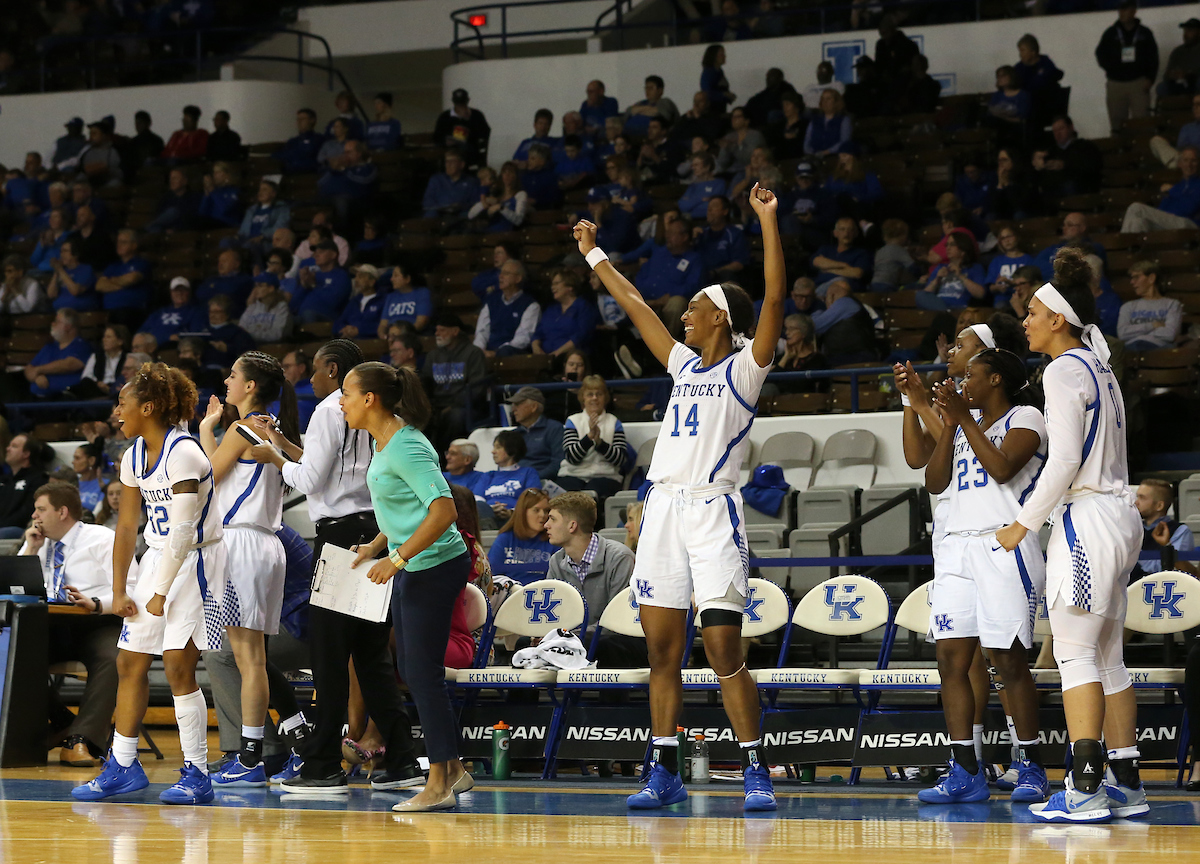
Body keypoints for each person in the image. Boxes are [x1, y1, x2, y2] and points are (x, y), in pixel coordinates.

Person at [574, 182, 784, 812]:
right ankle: (662, 769)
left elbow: (774, 297)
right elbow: (635, 304)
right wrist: (593, 255)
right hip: (663, 508)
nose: (682, 316)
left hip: (713, 510)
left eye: (693, 307)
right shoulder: (684, 366)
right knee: (661, 649)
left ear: (721, 315)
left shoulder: (746, 368)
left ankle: (755, 769)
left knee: (722, 647)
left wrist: (768, 223)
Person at [995, 248, 1148, 824]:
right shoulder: (1100, 365)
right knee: (1110, 658)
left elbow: (1060, 463)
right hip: (1118, 514)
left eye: (1032, 311)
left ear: (1058, 318)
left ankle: (1084, 788)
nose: (1026, 320)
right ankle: (1126, 783)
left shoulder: (1063, 368)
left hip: (1087, 518)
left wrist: (1022, 522)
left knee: (1076, 656)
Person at [247, 340, 424, 793]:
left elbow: (310, 479)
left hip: (343, 538)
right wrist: (284, 443)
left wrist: (273, 458)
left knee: (329, 653)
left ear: (333, 371)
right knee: (370, 655)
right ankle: (402, 761)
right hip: (374, 532)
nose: (308, 379)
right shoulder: (378, 414)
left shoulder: (330, 409)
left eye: (314, 370)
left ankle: (323, 763)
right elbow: (332, 465)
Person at [70, 363, 227, 805]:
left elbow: (182, 532)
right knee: (129, 661)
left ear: (149, 406)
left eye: (123, 402)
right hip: (158, 556)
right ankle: (123, 764)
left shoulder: (185, 453)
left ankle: (197, 772)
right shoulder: (133, 455)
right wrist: (121, 589)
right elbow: (125, 529)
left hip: (197, 559)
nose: (117, 410)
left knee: (178, 664)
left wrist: (159, 593)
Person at [339, 361, 474, 811]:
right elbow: (404, 507)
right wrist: (376, 545)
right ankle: (452, 769)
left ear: (369, 399)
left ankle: (438, 783)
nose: (342, 403)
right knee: (415, 672)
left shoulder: (407, 446)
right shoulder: (384, 443)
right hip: (415, 564)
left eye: (346, 394)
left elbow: (443, 510)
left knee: (421, 674)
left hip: (434, 566)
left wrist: (396, 560)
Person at [919, 349, 1049, 805]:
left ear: (995, 379)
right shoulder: (960, 421)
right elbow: (935, 483)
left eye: (971, 375)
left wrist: (964, 420)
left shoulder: (1027, 416)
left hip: (1004, 543)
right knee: (950, 661)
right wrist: (951, 425)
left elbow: (1001, 467)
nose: (962, 382)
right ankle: (965, 770)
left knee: (1008, 661)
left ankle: (1030, 764)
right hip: (955, 546)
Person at [197, 353, 297, 788]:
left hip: (241, 544)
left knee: (248, 660)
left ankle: (252, 759)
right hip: (265, 544)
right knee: (249, 657)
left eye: (233, 375)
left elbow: (206, 477)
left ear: (251, 386)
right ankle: (270, 751)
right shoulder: (273, 428)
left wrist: (205, 431)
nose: (227, 379)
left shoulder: (241, 428)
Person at [20, 482, 120, 766]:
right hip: (49, 624)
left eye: (41, 509)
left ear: (62, 511)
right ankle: (65, 722)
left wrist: (97, 602)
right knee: (15, 652)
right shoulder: (39, 543)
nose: (35, 516)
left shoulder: (102, 538)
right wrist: (31, 547)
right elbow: (16, 586)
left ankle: (81, 741)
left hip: (97, 622)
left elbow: (130, 588)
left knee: (114, 657)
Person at [545, 491, 642, 666]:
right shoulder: (556, 561)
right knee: (525, 644)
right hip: (576, 638)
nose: (546, 525)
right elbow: (555, 616)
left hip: (620, 639)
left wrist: (570, 634)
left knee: (604, 644)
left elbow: (618, 621)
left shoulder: (619, 557)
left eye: (552, 519)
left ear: (572, 526)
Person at [423, 313, 488, 453]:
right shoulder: (433, 356)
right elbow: (425, 384)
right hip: (437, 405)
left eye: (442, 330)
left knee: (455, 417)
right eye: (436, 330)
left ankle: (447, 456)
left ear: (455, 331)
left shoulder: (473, 353)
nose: (437, 333)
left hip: (465, 406)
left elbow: (477, 388)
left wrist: (453, 405)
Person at [556, 376, 628, 499]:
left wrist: (600, 442)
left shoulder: (614, 422)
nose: (594, 398)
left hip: (605, 476)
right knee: (568, 495)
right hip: (573, 474)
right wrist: (589, 438)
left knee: (595, 491)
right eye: (590, 394)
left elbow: (620, 460)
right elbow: (571, 458)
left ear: (605, 397)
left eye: (599, 394)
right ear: (582, 397)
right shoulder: (573, 421)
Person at [1095, 0, 1159, 134]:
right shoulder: (1111, 33)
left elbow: (1153, 57)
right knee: (1117, 124)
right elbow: (1100, 54)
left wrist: (1150, 78)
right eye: (1120, 9)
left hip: (1139, 83)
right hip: (1116, 83)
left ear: (1134, 10)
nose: (1122, 13)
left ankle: (1143, 152)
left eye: (1125, 9)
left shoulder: (1145, 33)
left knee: (1143, 123)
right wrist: (1112, 70)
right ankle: (1120, 153)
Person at [1120, 146, 1200, 233]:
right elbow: (1162, 210)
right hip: (1171, 223)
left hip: (1190, 224)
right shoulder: (1178, 186)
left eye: (1193, 160)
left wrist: (1171, 192)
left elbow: (1188, 208)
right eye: (1186, 160)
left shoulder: (1179, 188)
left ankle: (1119, 245)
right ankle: (1130, 246)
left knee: (1136, 208)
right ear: (1180, 163)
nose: (1189, 165)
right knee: (1138, 223)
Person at [474, 259, 540, 357]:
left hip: (512, 354)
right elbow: (482, 332)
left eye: (506, 273)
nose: (500, 276)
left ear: (518, 278)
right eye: (501, 273)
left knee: (506, 352)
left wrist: (496, 353)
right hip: (488, 352)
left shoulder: (530, 305)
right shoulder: (491, 302)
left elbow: (523, 338)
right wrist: (480, 351)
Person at [487, 487, 554, 583]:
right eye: (536, 510)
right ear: (522, 512)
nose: (543, 515)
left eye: (546, 510)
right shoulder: (505, 538)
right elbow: (492, 572)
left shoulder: (553, 540)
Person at [25, 308, 93, 398]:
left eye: (57, 321)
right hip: (37, 399)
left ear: (68, 326)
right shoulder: (49, 347)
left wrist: (39, 370)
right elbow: (29, 368)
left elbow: (70, 364)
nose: (52, 324)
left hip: (65, 399)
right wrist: (36, 377)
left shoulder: (81, 346)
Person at [1117, 260, 1183, 350]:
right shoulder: (1128, 307)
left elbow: (1170, 334)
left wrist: (1137, 332)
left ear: (1151, 278)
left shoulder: (1172, 304)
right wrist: (1153, 325)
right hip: (1131, 349)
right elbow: (1122, 334)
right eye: (1132, 278)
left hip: (1160, 349)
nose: (1132, 282)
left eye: (1136, 277)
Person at [479, 429, 542, 524]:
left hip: (516, 518)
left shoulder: (528, 473)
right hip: (488, 516)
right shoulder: (488, 475)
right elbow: (477, 500)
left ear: (511, 449)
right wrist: (492, 509)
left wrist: (511, 512)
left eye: (498, 447)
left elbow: (533, 500)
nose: (493, 451)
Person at [1134, 479, 1194, 576]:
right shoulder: (1133, 529)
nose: (1136, 502)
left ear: (1159, 505)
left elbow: (1168, 569)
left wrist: (1133, 559)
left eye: (1142, 498)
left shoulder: (1180, 531)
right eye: (1137, 497)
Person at [1033, 117, 1103, 199]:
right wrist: (1038, 165)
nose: (1058, 133)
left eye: (1061, 129)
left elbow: (1092, 166)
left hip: (1080, 188)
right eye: (1055, 131)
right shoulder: (1050, 151)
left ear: (1071, 128)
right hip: (1054, 191)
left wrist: (1065, 164)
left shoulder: (1085, 146)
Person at [532, 269, 598, 356]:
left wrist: (556, 353)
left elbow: (581, 336)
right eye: (552, 284)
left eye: (556, 283)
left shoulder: (584, 307)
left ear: (570, 286)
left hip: (570, 357)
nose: (552, 287)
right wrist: (536, 349)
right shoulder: (551, 309)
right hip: (544, 358)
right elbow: (538, 334)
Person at [507, 386, 564, 481]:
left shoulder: (554, 429)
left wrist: (531, 478)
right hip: (514, 483)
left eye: (517, 404)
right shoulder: (514, 434)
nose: (513, 409)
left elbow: (557, 464)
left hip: (541, 483)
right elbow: (505, 464)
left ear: (534, 407)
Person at [0, 435, 51, 539]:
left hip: (18, 529)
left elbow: (27, 512)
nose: (7, 449)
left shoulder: (38, 480)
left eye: (14, 446)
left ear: (26, 453)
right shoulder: (4, 479)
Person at [920, 233, 987, 311]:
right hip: (938, 306)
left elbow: (980, 294)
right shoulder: (940, 268)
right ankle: (945, 312)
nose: (948, 248)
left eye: (952, 244)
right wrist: (937, 279)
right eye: (947, 245)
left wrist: (960, 276)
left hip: (959, 308)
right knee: (919, 295)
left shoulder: (975, 268)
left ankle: (946, 313)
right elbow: (926, 294)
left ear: (963, 251)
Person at [434, 88, 491, 170]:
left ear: (467, 101)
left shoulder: (476, 115)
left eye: (462, 103)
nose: (460, 107)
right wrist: (447, 141)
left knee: (466, 149)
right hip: (450, 150)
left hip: (470, 150)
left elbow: (485, 133)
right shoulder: (445, 117)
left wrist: (467, 120)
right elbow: (437, 137)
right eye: (458, 104)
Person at [139, 277, 206, 346]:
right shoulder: (159, 313)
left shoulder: (196, 312)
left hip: (173, 347)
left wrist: (179, 337)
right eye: (176, 290)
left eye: (183, 290)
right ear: (171, 293)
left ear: (189, 292)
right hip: (150, 347)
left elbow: (197, 335)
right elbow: (140, 333)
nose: (179, 293)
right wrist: (167, 337)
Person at [811, 217, 872, 292]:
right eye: (842, 229)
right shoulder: (825, 249)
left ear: (856, 233)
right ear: (835, 233)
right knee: (802, 282)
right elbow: (816, 261)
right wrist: (843, 265)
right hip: (819, 286)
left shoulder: (861, 253)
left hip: (844, 290)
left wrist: (828, 269)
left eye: (850, 230)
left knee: (841, 281)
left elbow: (857, 273)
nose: (846, 234)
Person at [422, 149, 480, 221]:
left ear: (462, 164)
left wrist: (460, 206)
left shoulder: (471, 182)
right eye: (447, 162)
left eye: (452, 162)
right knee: (430, 215)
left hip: (460, 215)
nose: (448, 165)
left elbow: (475, 203)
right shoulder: (436, 180)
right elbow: (428, 201)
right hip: (439, 213)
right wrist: (442, 207)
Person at [333, 264, 384, 340]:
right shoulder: (354, 301)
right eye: (356, 276)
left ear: (372, 282)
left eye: (360, 277)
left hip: (372, 344)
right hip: (350, 343)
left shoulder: (383, 300)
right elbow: (338, 324)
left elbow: (384, 326)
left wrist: (360, 330)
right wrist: (345, 329)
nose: (356, 280)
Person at [239, 273, 294, 344]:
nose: (256, 290)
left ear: (271, 288)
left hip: (273, 349)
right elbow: (240, 330)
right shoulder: (252, 307)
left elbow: (277, 334)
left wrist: (250, 334)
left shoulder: (281, 307)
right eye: (255, 286)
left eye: (260, 286)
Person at [46, 238, 97, 312]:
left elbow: (75, 291)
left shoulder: (86, 269)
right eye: (61, 251)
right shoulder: (62, 270)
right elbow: (51, 294)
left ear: (75, 254)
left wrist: (60, 270)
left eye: (65, 251)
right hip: (60, 312)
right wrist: (56, 272)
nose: (62, 254)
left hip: (80, 313)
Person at [1151, 93, 1200, 168]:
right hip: (1185, 157)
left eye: (1198, 104)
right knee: (1155, 141)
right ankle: (1178, 164)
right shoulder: (1187, 128)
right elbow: (1181, 147)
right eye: (1194, 105)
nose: (1195, 107)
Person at [275, 109, 327, 175]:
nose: (299, 122)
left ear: (312, 120)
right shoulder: (293, 141)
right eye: (298, 119)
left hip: (311, 175)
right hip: (291, 175)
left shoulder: (319, 139)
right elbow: (280, 155)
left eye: (302, 119)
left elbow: (318, 160)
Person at [678, 152, 726, 220]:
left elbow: (711, 209)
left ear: (707, 167)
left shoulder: (719, 184)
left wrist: (691, 214)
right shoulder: (693, 186)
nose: (693, 168)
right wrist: (701, 199)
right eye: (692, 165)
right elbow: (682, 206)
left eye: (696, 165)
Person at [804, 90, 851, 157]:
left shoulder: (844, 120)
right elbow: (807, 141)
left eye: (828, 99)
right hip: (814, 157)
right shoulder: (814, 121)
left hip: (835, 157)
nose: (825, 102)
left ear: (836, 102)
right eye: (823, 99)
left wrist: (826, 152)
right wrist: (812, 153)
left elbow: (844, 141)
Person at [72, 439, 108, 511]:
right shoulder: (72, 484)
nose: (73, 462)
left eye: (77, 458)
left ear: (91, 460)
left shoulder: (105, 485)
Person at [700, 44, 736, 114]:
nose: (724, 56)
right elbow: (707, 93)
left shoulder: (719, 71)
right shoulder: (709, 73)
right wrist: (724, 95)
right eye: (721, 54)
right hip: (712, 111)